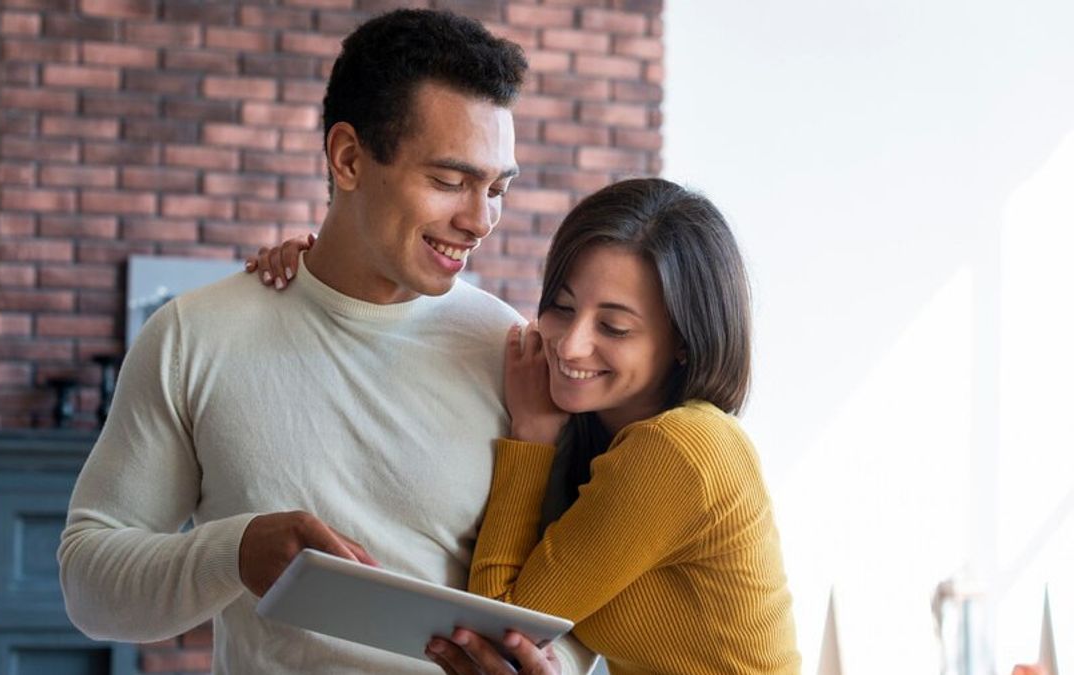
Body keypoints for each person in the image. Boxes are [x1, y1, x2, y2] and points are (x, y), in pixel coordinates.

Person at [58, 9, 595, 675]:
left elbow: (584, 608)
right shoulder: (193, 337)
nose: (480, 219)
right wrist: (233, 551)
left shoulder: (517, 357)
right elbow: (89, 583)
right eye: (450, 181)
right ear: (348, 158)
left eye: (497, 188)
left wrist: (553, 667)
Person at [253, 178, 802, 673]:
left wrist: (532, 437)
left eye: (613, 326)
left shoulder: (679, 449)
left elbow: (502, 627)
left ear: (684, 341)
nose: (570, 343)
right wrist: (319, 272)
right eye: (562, 308)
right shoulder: (604, 433)